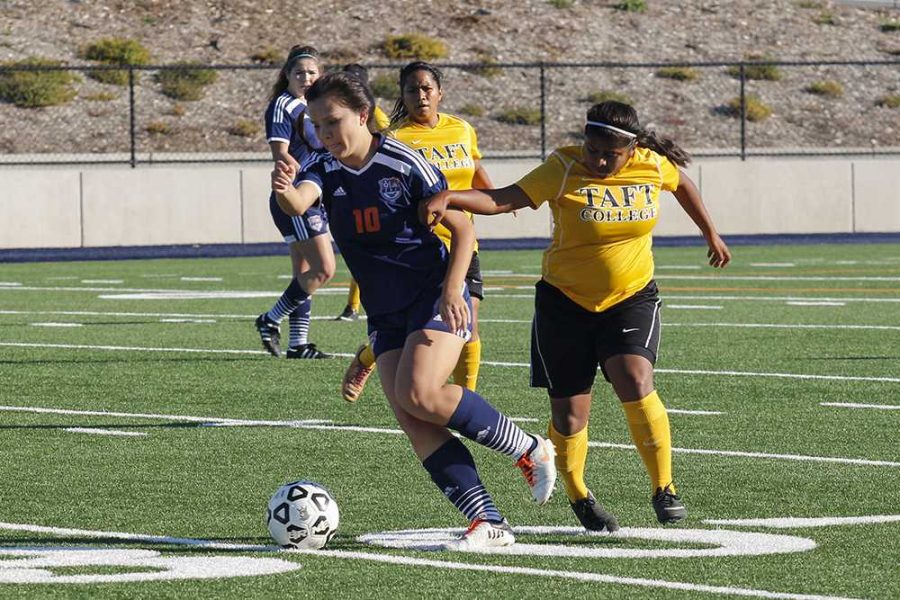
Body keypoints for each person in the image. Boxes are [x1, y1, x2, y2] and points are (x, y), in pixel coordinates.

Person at [271, 71, 557, 550]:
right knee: (412, 417)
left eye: (332, 121)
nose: (324, 134)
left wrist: (453, 289)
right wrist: (285, 188)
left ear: (363, 115)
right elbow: (302, 200)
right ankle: (490, 522)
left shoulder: (403, 162)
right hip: (385, 312)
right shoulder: (323, 165)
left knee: (421, 393)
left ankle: (529, 448)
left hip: (432, 293)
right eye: (316, 126)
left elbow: (463, 231)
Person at [421, 100, 731, 531]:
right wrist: (452, 195)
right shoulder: (563, 168)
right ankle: (579, 494)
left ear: (632, 148)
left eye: (611, 154)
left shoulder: (651, 165)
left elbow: (682, 186)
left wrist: (710, 232)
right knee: (569, 416)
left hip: (631, 295)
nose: (600, 160)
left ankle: (664, 486)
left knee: (635, 378)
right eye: (593, 150)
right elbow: (503, 198)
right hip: (564, 303)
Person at [340, 61, 493, 403]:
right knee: (409, 327)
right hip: (417, 250)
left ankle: (466, 398)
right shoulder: (395, 139)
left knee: (468, 327)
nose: (420, 96)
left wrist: (496, 198)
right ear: (403, 96)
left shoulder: (462, 129)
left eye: (427, 89)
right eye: (412, 90)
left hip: (462, 243)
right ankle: (368, 356)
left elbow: (475, 168)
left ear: (440, 93)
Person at [255, 45, 333, 359]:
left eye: (312, 72)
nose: (305, 77)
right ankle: (269, 319)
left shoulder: (314, 106)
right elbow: (281, 155)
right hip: (298, 197)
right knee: (324, 269)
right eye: (299, 72)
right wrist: (305, 173)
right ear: (287, 75)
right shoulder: (283, 105)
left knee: (304, 273)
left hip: (312, 194)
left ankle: (297, 343)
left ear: (321, 75)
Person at [334, 63, 391, 323]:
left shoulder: (376, 117)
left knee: (369, 246)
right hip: (349, 183)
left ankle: (359, 305)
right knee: (359, 247)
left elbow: (389, 146)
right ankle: (354, 306)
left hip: (372, 187)